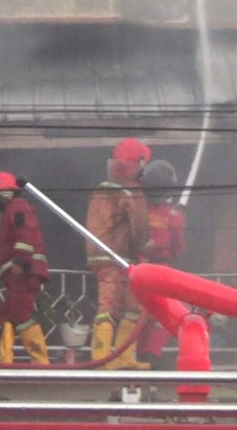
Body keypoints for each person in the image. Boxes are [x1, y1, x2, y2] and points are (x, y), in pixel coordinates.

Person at [86, 137, 152, 370]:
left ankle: (116, 358)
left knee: (127, 306)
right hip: (121, 257)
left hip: (101, 255)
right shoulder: (132, 190)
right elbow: (140, 227)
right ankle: (106, 359)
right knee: (117, 307)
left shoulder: (102, 189)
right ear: (141, 164)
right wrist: (145, 247)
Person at [0, 170, 50, 364]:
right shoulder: (15, 209)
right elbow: (8, 252)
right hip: (20, 272)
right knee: (7, 315)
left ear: (3, 193)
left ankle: (41, 364)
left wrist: (20, 262)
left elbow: (25, 235)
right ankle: (4, 360)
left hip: (25, 273)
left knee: (21, 315)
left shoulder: (18, 207)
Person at [137, 159, 186, 369]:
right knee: (166, 313)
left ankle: (133, 355)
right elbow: (178, 249)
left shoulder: (136, 209)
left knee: (136, 314)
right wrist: (180, 219)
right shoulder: (172, 215)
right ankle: (151, 354)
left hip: (136, 269)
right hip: (161, 272)